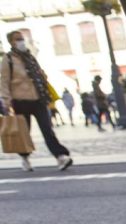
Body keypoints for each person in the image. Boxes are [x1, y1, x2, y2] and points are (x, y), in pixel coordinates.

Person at [0, 30, 73, 172]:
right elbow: (4, 82)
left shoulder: (30, 57)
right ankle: (25, 159)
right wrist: (6, 101)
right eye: (18, 39)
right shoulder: (8, 60)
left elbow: (40, 76)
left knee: (48, 130)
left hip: (38, 99)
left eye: (22, 38)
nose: (21, 41)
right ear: (11, 42)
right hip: (20, 101)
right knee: (24, 132)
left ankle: (60, 156)